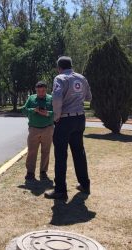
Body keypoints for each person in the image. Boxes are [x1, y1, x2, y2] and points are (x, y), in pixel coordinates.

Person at [44, 56, 92, 200]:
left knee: (60, 155)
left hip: (65, 119)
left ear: (59, 67)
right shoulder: (82, 78)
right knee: (79, 152)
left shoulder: (60, 78)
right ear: (71, 65)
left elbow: (57, 98)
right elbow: (89, 97)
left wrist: (56, 116)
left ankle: (60, 190)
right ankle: (84, 184)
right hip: (79, 118)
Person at [21, 81, 54, 182]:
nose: (41, 93)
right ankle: (30, 172)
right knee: (32, 151)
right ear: (36, 90)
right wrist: (33, 110)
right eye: (39, 91)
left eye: (43, 91)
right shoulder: (31, 98)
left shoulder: (51, 99)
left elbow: (57, 112)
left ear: (46, 90)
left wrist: (47, 113)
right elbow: (23, 110)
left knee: (46, 151)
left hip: (47, 129)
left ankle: (43, 172)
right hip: (33, 129)